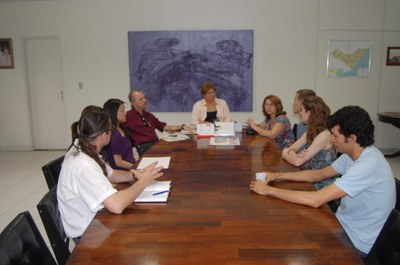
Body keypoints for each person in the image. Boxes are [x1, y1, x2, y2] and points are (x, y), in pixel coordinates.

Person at [250, 105, 396, 256]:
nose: (332, 140)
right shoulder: (353, 154)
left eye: (335, 136)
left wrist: (268, 190)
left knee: (288, 239)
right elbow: (318, 175)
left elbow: (316, 199)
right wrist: (276, 176)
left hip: (357, 243)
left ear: (351, 138)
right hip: (343, 225)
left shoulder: (368, 165)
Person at [57, 105, 163, 240]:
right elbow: (116, 205)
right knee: (144, 232)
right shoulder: (84, 165)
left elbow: (111, 173)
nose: (112, 132)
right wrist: (143, 183)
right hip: (89, 234)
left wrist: (135, 175)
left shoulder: (83, 145)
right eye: (110, 130)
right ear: (103, 136)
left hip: (95, 221)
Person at [282, 96, 337, 190]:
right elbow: (292, 149)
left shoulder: (324, 134)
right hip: (312, 178)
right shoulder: (311, 131)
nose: (299, 113)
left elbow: (297, 162)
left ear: (309, 113)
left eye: (301, 110)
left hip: (324, 185)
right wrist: (294, 154)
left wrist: (285, 154)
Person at [125, 89, 192, 156]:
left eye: (144, 98)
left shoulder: (148, 115)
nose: (144, 100)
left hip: (155, 144)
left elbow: (164, 127)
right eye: (141, 99)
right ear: (132, 103)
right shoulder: (127, 116)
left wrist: (182, 126)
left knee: (177, 149)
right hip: (144, 147)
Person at [103, 98, 135, 170]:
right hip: (123, 171)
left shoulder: (122, 129)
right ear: (114, 113)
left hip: (131, 166)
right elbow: (118, 162)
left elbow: (129, 155)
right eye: (122, 111)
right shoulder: (114, 134)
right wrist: (136, 167)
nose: (125, 113)